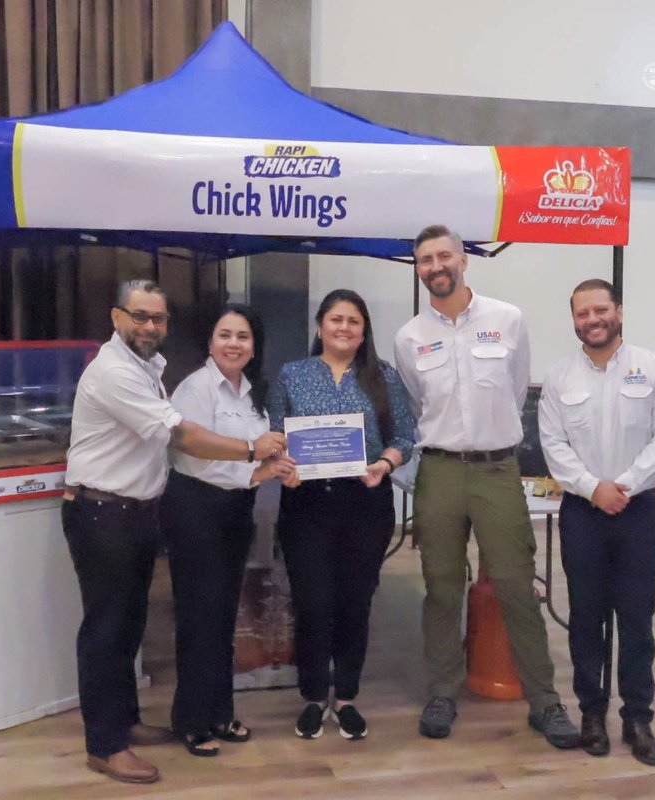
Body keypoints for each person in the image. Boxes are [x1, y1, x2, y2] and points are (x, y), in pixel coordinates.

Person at [62, 280, 287, 783]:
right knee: (106, 631)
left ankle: (124, 722)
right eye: (139, 316)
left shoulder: (149, 368)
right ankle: (105, 744)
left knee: (128, 627)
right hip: (103, 512)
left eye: (158, 318)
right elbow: (181, 436)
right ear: (117, 317)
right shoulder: (115, 372)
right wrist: (251, 451)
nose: (149, 326)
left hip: (136, 511)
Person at [394, 224, 579, 749]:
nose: (436, 266)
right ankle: (441, 692)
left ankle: (545, 700)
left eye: (444, 256)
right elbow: (418, 404)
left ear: (463, 260)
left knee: (517, 584)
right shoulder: (409, 337)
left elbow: (517, 389)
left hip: (497, 470)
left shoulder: (507, 319)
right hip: (440, 472)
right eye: (425, 259)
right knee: (441, 587)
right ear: (418, 268)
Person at [537, 278, 655, 766]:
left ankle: (637, 718)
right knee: (586, 617)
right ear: (574, 320)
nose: (592, 320)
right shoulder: (559, 378)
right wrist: (591, 488)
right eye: (582, 313)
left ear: (618, 310)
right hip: (583, 511)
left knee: (637, 618)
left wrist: (623, 486)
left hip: (638, 510)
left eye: (600, 310)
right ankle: (592, 713)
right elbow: (553, 445)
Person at [267, 289, 416, 741]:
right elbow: (275, 436)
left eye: (353, 321)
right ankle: (314, 696)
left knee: (355, 601)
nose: (344, 328)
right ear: (320, 326)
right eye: (336, 319)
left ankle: (346, 696)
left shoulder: (383, 376)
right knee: (311, 603)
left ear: (363, 330)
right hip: (306, 504)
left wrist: (385, 464)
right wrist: (283, 466)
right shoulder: (292, 375)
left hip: (365, 501)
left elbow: (404, 438)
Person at [159, 304, 295, 757]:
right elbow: (194, 451)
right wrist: (254, 457)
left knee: (222, 617)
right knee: (198, 616)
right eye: (225, 335)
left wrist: (270, 469)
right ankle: (191, 720)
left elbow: (251, 460)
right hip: (195, 509)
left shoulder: (252, 393)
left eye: (243, 336)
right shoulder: (195, 388)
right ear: (211, 341)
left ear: (254, 346)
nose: (233, 344)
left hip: (235, 509)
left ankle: (219, 712)